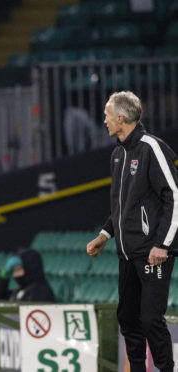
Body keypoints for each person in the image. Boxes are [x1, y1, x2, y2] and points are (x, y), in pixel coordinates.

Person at [86, 91, 177, 372]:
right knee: (128, 319)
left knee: (150, 319)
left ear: (121, 118)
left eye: (107, 114)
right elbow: (122, 206)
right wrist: (105, 235)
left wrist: (162, 244)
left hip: (153, 253)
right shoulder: (117, 154)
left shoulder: (152, 148)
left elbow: (174, 196)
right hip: (126, 254)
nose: (104, 120)